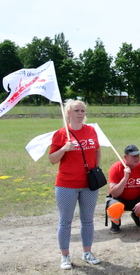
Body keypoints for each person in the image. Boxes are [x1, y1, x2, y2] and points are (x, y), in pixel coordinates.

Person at [49, 99, 102, 270]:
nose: (81, 114)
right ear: (69, 113)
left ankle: (87, 252)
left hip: (88, 184)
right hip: (66, 185)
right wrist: (64, 149)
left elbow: (97, 150)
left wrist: (96, 168)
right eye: (77, 111)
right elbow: (52, 160)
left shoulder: (91, 130)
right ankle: (65, 256)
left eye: (83, 111)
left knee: (88, 220)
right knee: (65, 221)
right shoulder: (61, 133)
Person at [106, 144, 140, 233]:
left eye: (138, 155)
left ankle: (137, 217)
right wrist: (125, 178)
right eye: (134, 156)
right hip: (120, 199)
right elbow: (114, 194)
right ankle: (115, 222)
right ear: (125, 157)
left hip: (136, 199)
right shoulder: (116, 168)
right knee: (115, 207)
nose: (137, 158)